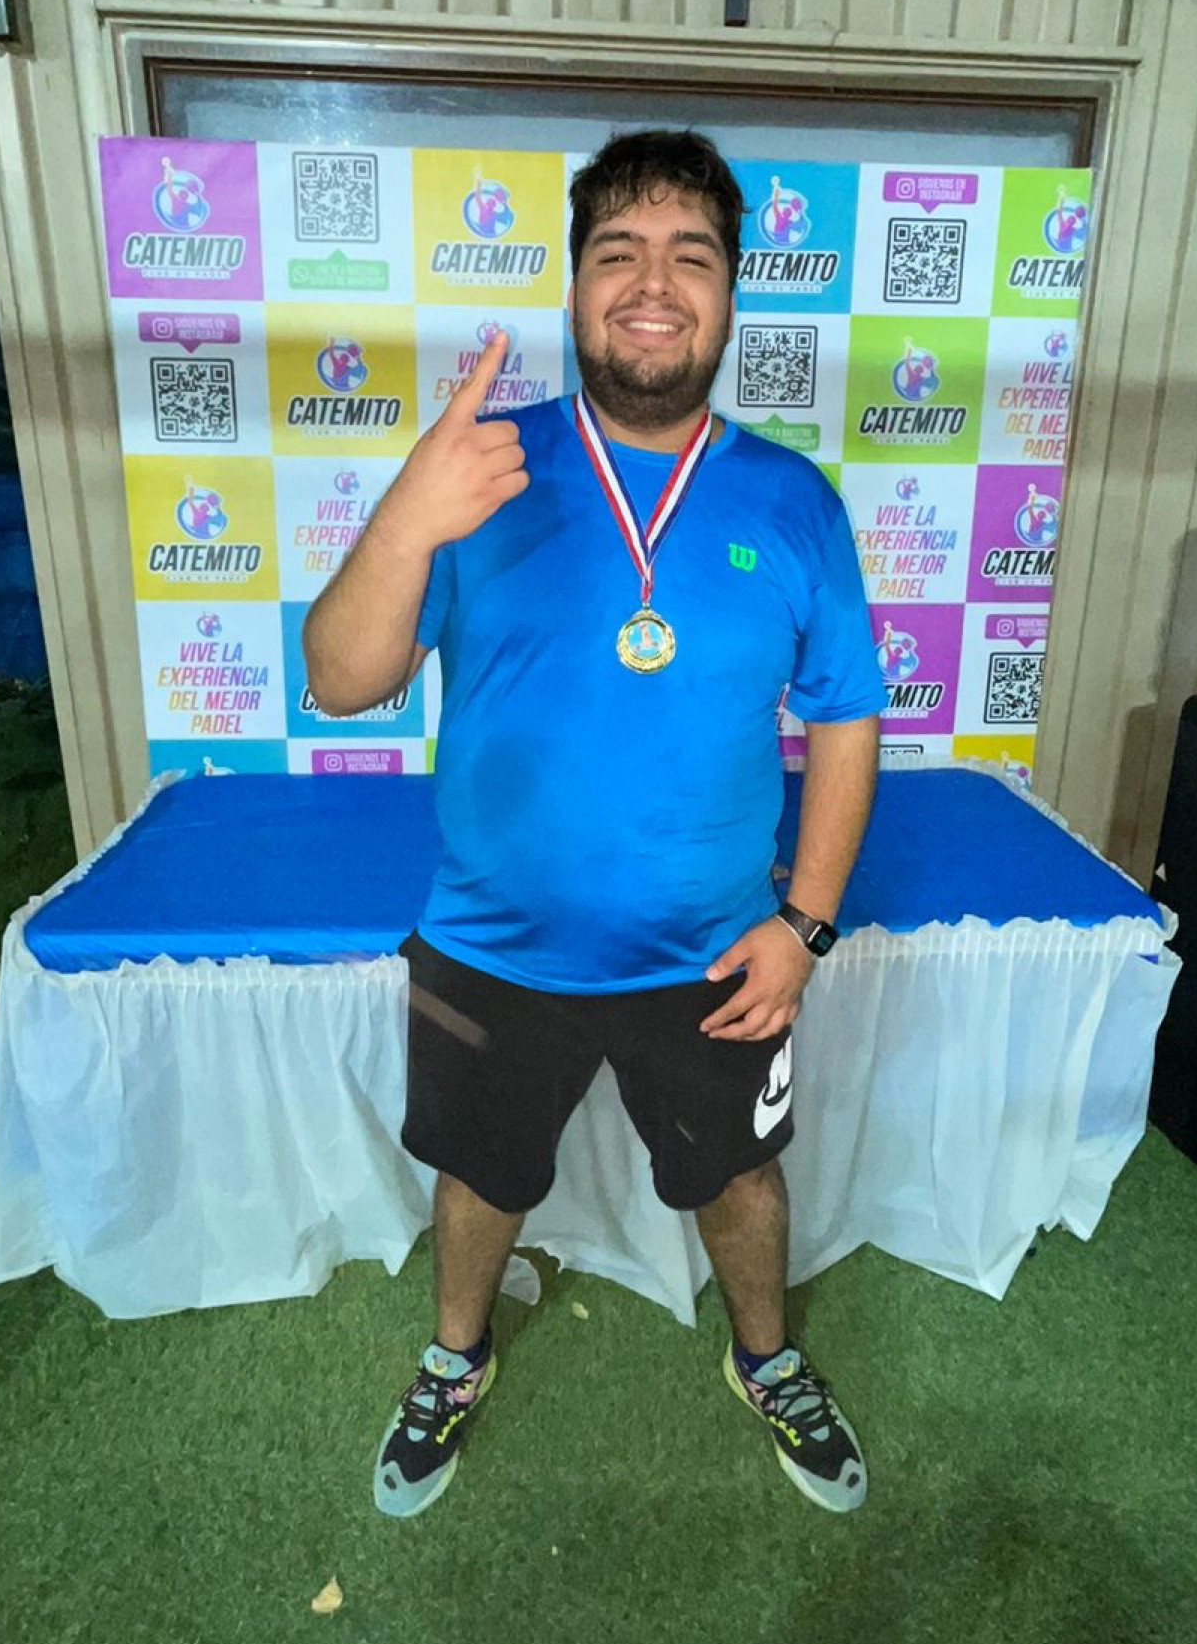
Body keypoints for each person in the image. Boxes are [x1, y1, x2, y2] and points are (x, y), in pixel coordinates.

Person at [303, 130, 884, 1520]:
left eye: (692, 256)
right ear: (574, 286)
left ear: (731, 294)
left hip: (715, 955)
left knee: (741, 1178)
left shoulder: (793, 501)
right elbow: (340, 680)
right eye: (618, 251)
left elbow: (848, 719)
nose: (653, 284)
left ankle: (767, 1356)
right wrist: (405, 521)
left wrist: (804, 926)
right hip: (490, 946)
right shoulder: (481, 471)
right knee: (477, 1178)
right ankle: (456, 1355)